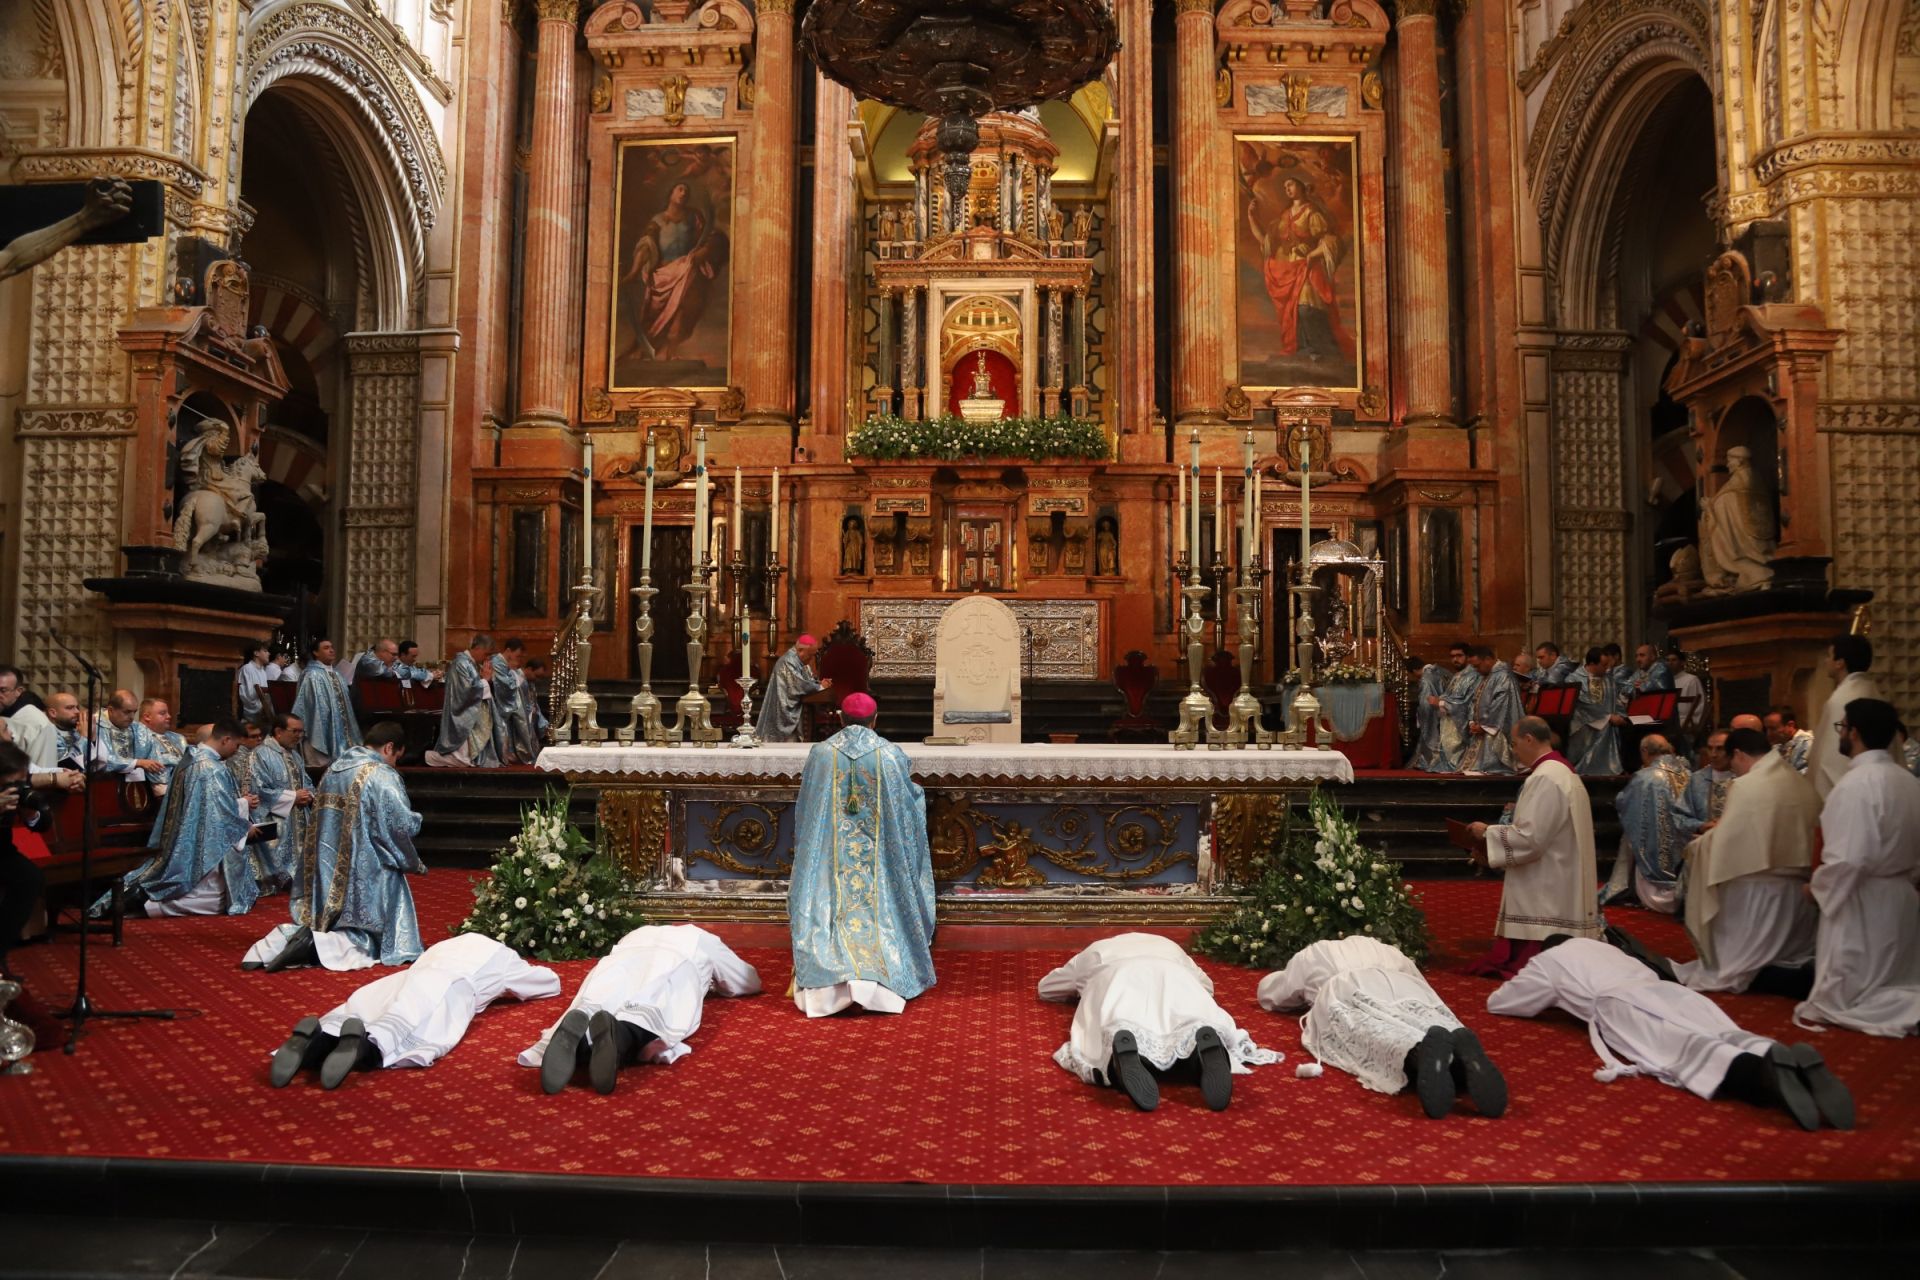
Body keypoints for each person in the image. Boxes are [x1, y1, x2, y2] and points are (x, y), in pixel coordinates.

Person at [1486, 938, 1853, 1131]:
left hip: (1623, 1006)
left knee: (1683, 1050)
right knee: (1722, 1030)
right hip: (1671, 992)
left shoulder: (1550, 961)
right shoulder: (1603, 946)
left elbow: (1501, 1003)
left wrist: (1551, 991)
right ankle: (1781, 1057)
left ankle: (1763, 1078)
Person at [788, 692, 934, 1016]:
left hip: (830, 859)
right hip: (880, 864)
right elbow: (907, 812)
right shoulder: (890, 755)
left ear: (840, 718)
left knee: (830, 898)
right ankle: (880, 971)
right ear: (875, 719)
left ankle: (831, 970)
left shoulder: (822, 754)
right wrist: (918, 798)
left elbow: (807, 808)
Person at [1258, 935, 1506, 1120]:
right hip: (1405, 985)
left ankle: (1419, 1054)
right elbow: (1420, 981)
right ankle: (1460, 1051)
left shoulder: (1314, 953)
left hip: (1348, 989)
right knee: (1424, 1015)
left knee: (1374, 1032)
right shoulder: (1388, 950)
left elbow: (1272, 995)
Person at [271, 934, 561, 1090]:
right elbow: (548, 983)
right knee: (412, 1027)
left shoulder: (449, 943)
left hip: (404, 978)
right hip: (452, 986)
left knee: (366, 1008)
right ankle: (361, 1048)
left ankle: (315, 1042)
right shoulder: (505, 957)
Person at [1038, 932, 1279, 1112]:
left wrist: (1078, 988)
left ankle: (1120, 1061)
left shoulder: (1096, 950)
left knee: (1113, 1030)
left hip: (1116, 979)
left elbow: (1047, 988)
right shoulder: (1170, 946)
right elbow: (1207, 986)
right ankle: (1199, 1053)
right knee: (1191, 1021)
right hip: (1175, 977)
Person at [254, 721, 425, 971]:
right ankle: (318, 945)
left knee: (330, 918)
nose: (394, 764)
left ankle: (276, 943)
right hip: (366, 862)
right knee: (362, 933)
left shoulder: (334, 769)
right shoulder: (380, 773)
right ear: (389, 747)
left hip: (327, 861)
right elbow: (399, 823)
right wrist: (415, 829)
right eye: (396, 757)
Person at [1795, 698, 1920, 1037]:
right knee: (1895, 974)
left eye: (1842, 727)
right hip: (1901, 894)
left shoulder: (1854, 786)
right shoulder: (1907, 780)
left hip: (1863, 897)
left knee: (1856, 988)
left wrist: (1817, 888)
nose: (1841, 733)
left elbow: (1849, 857)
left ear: (1855, 733)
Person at [521, 924, 762, 1095]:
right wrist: (713, 983)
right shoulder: (702, 938)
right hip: (674, 964)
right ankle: (618, 1039)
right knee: (649, 1013)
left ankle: (579, 1045)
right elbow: (746, 981)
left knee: (596, 1002)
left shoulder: (638, 932)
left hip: (617, 963)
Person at [1670, 727, 1818, 995]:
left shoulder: (1747, 786)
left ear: (1737, 754)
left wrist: (1698, 845)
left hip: (1755, 892)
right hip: (1798, 892)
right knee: (1785, 957)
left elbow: (1726, 843)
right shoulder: (1799, 781)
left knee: (1733, 961)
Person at [1463, 716, 1602, 977]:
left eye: (1515, 744)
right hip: (1560, 867)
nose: (1514, 751)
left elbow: (1530, 838)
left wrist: (1487, 834)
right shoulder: (1563, 773)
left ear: (1529, 739)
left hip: (1549, 879)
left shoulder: (1546, 777)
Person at [116, 719, 260, 918]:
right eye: (236, 745)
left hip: (185, 834)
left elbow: (210, 806)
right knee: (217, 899)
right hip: (200, 844)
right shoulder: (210, 768)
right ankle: (147, 905)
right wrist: (244, 826)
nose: (237, 750)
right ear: (226, 740)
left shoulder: (191, 757)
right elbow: (218, 814)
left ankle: (141, 900)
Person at [1602, 735, 1694, 914]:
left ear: (1644, 752)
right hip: (1683, 842)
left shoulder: (1645, 777)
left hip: (1656, 840)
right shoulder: (1689, 774)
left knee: (1637, 837)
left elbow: (1624, 802)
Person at [248, 713, 315, 893]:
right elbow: (257, 790)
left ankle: (297, 877)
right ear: (278, 731)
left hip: (298, 816)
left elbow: (306, 783)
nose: (299, 736)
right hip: (276, 818)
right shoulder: (260, 754)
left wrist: (309, 795)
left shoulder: (295, 755)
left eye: (302, 732)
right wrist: (292, 797)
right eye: (295, 731)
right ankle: (279, 878)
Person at [1807, 634, 1878, 801]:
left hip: (1851, 797)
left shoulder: (1843, 700)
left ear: (1840, 663)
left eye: (1829, 656)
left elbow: (1834, 761)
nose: (1826, 661)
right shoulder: (1873, 692)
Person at [427, 634, 500, 768]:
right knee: (461, 760)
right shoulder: (461, 663)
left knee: (466, 759)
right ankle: (433, 757)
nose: (487, 658)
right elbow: (464, 692)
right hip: (460, 712)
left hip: (470, 710)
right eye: (486, 654)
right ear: (477, 648)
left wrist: (485, 680)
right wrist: (485, 681)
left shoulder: (471, 664)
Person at [291, 639, 361, 767]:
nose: (331, 650)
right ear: (316, 653)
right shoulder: (311, 675)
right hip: (320, 729)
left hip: (341, 729)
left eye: (332, 647)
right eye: (326, 648)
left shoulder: (338, 675)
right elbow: (309, 706)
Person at [1410, 642, 1478, 773]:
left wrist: (1441, 703)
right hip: (1449, 720)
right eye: (1452, 656)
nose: (1455, 659)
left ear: (1468, 657)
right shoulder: (1458, 675)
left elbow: (1468, 702)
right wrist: (1441, 701)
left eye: (1459, 655)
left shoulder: (1472, 676)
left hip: (1461, 723)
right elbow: (1451, 696)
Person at [1460, 647, 1525, 776]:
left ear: (1488, 659)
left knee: (1489, 769)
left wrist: (1484, 726)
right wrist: (1472, 721)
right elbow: (1475, 700)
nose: (1476, 670)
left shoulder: (1503, 676)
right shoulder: (1487, 676)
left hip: (1495, 728)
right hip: (1482, 727)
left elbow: (1502, 704)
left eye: (1477, 666)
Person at [756, 633, 832, 744]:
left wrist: (818, 683)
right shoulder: (788, 661)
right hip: (783, 711)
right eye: (810, 655)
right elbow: (797, 685)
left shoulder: (799, 661)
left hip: (798, 707)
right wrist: (820, 687)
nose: (811, 659)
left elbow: (806, 680)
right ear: (800, 650)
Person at [1568, 648, 1623, 776]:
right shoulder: (1573, 680)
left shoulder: (1608, 679)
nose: (1607, 668)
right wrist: (1608, 717)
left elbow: (1616, 700)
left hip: (1609, 722)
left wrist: (1622, 715)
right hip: (1582, 724)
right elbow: (1583, 703)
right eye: (1604, 665)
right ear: (1592, 664)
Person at [489, 638, 540, 765]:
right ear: (508, 651)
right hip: (498, 704)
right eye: (517, 655)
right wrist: (512, 672)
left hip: (506, 704)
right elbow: (506, 686)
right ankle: (504, 755)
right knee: (503, 729)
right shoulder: (497, 662)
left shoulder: (505, 664)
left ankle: (510, 754)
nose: (519, 659)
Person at [1676, 729, 1735, 834]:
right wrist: (1701, 826)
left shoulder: (1744, 778)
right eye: (1709, 748)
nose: (1713, 754)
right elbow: (1679, 817)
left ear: (1733, 750)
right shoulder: (1697, 779)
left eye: (1720, 749)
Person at [1666, 643, 1707, 756]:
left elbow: (1700, 705)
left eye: (1674, 660)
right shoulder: (1665, 681)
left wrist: (1693, 723)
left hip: (1685, 721)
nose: (1670, 663)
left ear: (1682, 662)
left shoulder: (1691, 680)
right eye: (1668, 660)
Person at [237, 642, 278, 728]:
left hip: (263, 713)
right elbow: (248, 696)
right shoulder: (247, 668)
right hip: (251, 717)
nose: (269, 653)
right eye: (265, 651)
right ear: (256, 653)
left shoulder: (263, 671)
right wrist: (263, 709)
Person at [1764, 705, 1814, 774]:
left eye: (1773, 729)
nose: (1768, 734)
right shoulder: (1777, 746)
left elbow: (1803, 777)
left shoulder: (1808, 744)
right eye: (1767, 729)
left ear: (1790, 725)